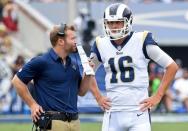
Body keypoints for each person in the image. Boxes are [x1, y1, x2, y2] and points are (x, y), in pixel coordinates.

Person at [89, 3, 178, 131]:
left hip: (138, 111)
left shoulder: (141, 40)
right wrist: (98, 96)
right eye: (110, 22)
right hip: (112, 112)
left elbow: (172, 66)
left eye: (118, 22)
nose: (114, 26)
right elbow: (88, 72)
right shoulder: (100, 43)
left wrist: (158, 96)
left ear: (128, 22)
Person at [11, 24, 94, 131]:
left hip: (74, 122)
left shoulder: (73, 64)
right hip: (53, 123)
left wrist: (88, 72)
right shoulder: (41, 61)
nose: (76, 42)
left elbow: (81, 92)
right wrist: (32, 105)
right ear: (60, 41)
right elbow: (17, 81)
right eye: (72, 38)